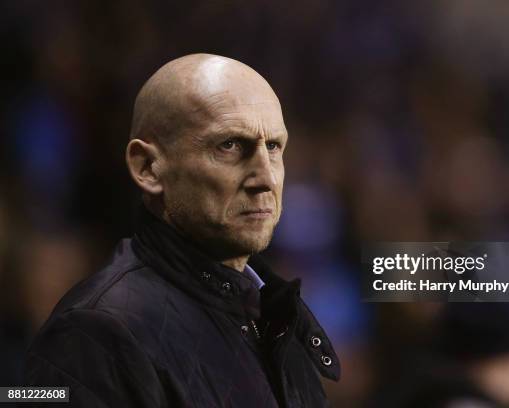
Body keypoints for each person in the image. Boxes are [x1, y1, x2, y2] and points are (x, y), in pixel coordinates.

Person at [24, 54, 340, 407]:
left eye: (273, 147)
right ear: (148, 168)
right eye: (230, 145)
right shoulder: (93, 334)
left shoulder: (278, 318)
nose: (266, 178)